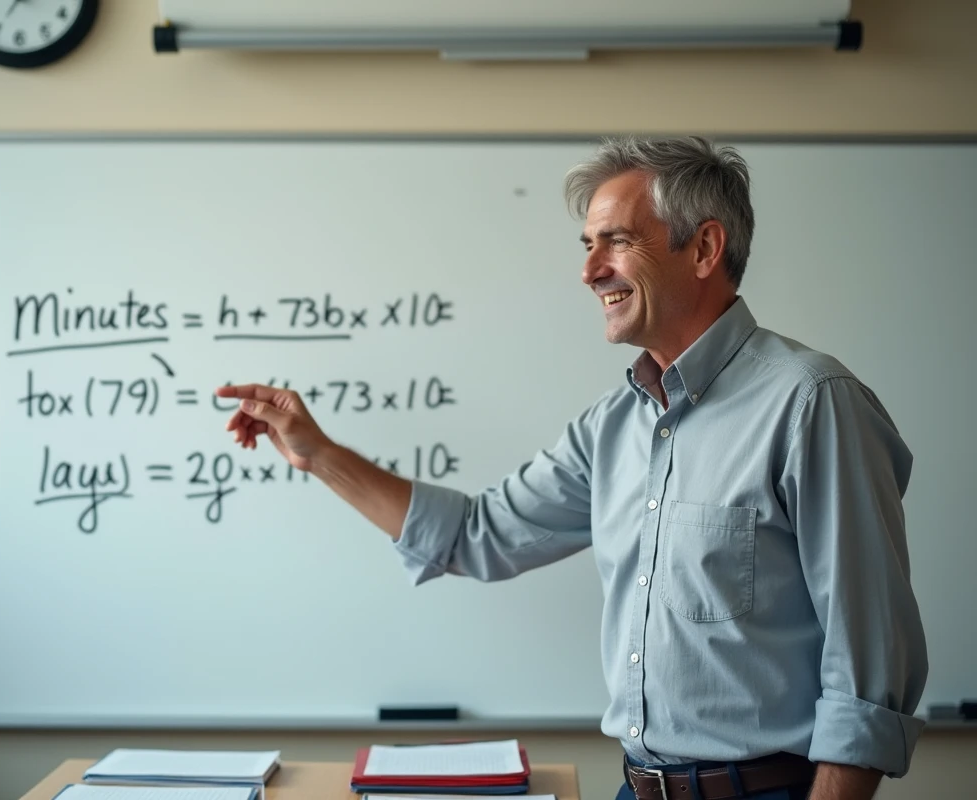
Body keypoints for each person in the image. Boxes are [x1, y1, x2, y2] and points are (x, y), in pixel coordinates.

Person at [215, 136, 929, 800]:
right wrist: (319, 455)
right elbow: (476, 535)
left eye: (615, 243)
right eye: (588, 246)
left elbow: (868, 674)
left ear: (704, 247)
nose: (589, 272)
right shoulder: (614, 427)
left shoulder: (812, 404)